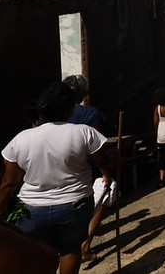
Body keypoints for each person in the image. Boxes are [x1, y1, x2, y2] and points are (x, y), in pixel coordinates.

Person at [0, 81, 113, 274]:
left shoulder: (21, 138)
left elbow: (9, 183)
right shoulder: (84, 132)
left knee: (34, 254)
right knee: (70, 250)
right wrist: (114, 164)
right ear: (70, 109)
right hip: (75, 203)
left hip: (28, 207)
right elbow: (103, 162)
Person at [63, 74, 108, 263]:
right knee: (99, 204)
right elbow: (96, 147)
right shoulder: (90, 114)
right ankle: (84, 248)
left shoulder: (49, 115)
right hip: (87, 169)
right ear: (82, 95)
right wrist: (107, 171)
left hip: (61, 169)